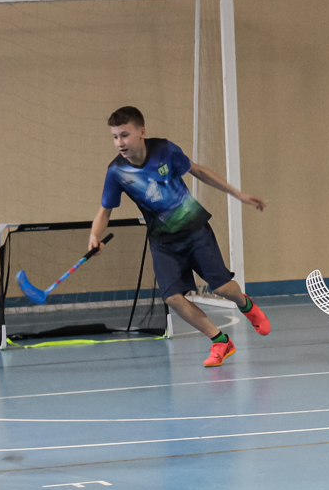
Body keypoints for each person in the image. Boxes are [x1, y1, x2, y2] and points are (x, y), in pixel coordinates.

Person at [90, 107, 269, 367]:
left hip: (195, 230)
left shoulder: (165, 150)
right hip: (162, 242)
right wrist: (94, 235)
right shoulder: (117, 171)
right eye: (115, 137)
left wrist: (237, 194)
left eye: (125, 135)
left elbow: (198, 171)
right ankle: (220, 341)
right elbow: (104, 210)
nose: (120, 143)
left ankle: (246, 304)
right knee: (172, 297)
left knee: (221, 288)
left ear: (142, 132)